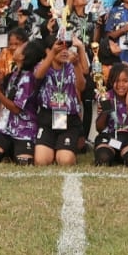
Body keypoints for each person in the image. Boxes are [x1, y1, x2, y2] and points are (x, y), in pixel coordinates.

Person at [33, 37, 88, 167]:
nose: (64, 51)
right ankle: (53, 149)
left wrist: (76, 65)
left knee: (65, 161)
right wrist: (52, 53)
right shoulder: (43, 66)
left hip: (68, 119)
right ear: (49, 50)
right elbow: (37, 75)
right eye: (59, 48)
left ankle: (63, 150)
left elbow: (81, 87)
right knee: (41, 161)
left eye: (66, 48)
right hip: (47, 118)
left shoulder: (71, 66)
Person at [94, 63, 128, 167]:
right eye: (117, 81)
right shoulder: (106, 95)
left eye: (125, 81)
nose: (121, 85)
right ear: (112, 81)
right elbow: (99, 128)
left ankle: (122, 155)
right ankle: (113, 154)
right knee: (103, 157)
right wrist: (106, 108)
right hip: (109, 137)